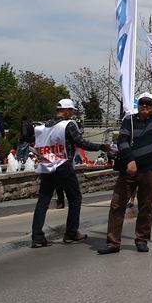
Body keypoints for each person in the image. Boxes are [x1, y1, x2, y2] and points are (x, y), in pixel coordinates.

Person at [98, 62, 152, 254]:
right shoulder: (129, 120)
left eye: (148, 104)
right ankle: (113, 242)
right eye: (141, 103)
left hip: (150, 169)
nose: (144, 106)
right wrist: (130, 160)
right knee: (117, 204)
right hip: (129, 169)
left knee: (146, 205)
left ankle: (141, 239)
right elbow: (122, 141)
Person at [24, 99, 109, 248]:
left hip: (46, 166)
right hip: (63, 165)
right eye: (71, 111)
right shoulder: (67, 125)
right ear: (66, 110)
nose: (72, 114)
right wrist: (101, 146)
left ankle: (37, 236)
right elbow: (81, 143)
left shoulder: (43, 127)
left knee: (43, 201)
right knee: (75, 198)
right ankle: (71, 233)